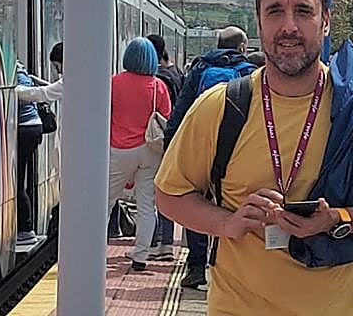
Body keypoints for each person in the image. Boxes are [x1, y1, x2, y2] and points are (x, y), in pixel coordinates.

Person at [155, 0, 353, 315]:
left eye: (303, 11)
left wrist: (339, 218)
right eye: (275, 12)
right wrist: (229, 223)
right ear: (259, 23)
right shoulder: (220, 108)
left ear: (325, 21)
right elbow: (169, 194)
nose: (289, 26)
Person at [163, 25, 258, 288]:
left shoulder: (200, 69)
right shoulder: (250, 72)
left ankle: (196, 268)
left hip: (203, 148)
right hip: (238, 151)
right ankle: (233, 269)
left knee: (196, 203)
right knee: (236, 207)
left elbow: (183, 109)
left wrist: (171, 145)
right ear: (242, 47)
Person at [109, 37, 172, 271]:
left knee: (106, 202)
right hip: (149, 151)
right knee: (147, 205)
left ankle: (93, 252)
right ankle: (140, 257)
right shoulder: (158, 86)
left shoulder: (115, 83)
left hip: (119, 150)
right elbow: (166, 116)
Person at [148, 33, 184, 261]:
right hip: (172, 140)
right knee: (165, 190)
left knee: (148, 196)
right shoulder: (178, 73)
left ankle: (152, 242)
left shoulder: (157, 80)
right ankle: (167, 243)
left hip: (154, 141)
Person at [14, 59, 44, 245]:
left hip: (24, 129)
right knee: (19, 180)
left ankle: (25, 229)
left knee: (17, 182)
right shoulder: (22, 71)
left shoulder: (12, 72)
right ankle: (26, 228)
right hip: (33, 128)